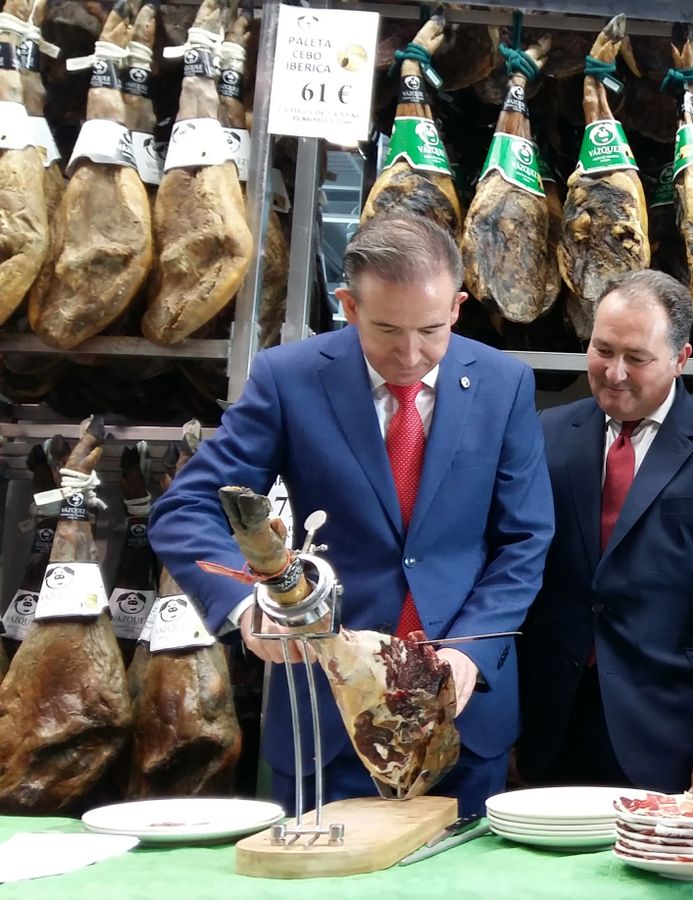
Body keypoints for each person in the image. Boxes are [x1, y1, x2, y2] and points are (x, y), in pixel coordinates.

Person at [149, 213, 554, 816]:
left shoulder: (505, 383)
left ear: (458, 307)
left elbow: (525, 538)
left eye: (432, 330)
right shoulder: (289, 378)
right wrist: (248, 607)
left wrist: (471, 646)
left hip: (464, 713)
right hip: (326, 712)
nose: (411, 354)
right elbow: (186, 507)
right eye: (387, 329)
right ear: (348, 305)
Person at [516, 270, 693, 795]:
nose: (614, 373)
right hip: (553, 722)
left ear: (681, 359)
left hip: (672, 726)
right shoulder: (546, 432)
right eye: (602, 350)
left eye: (636, 358)